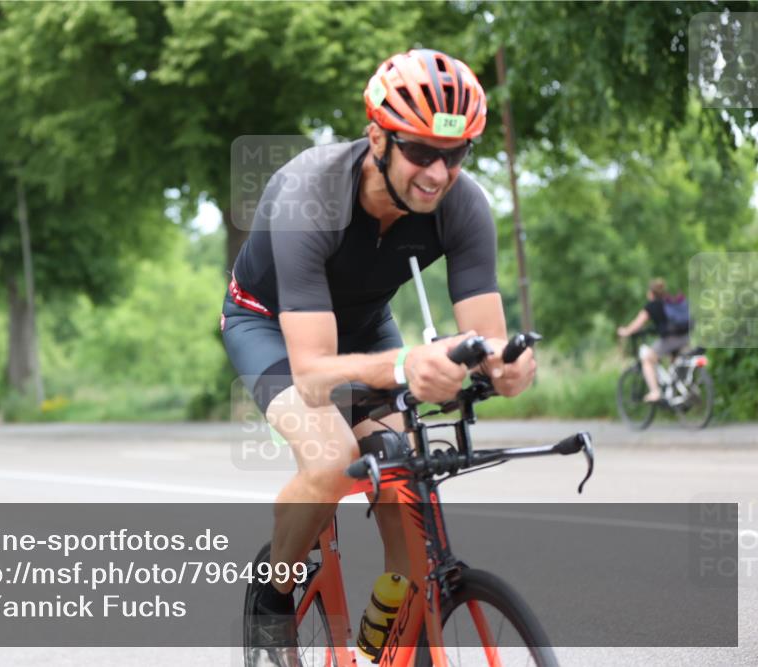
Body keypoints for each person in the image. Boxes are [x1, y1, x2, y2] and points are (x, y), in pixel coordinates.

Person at [221, 48, 536, 661]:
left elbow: (487, 341)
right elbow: (313, 373)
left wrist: (508, 367)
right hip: (267, 325)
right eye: (421, 151)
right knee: (334, 460)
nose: (438, 173)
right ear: (378, 140)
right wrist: (404, 367)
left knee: (403, 472)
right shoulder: (307, 195)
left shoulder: (463, 204)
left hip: (365, 326)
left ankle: (386, 633)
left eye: (455, 153)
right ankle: (273, 593)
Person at [617, 278, 690, 402]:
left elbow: (637, 324)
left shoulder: (652, 306)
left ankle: (655, 392)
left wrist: (625, 331)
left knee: (647, 359)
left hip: (670, 340)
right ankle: (677, 394)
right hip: (685, 337)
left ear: (650, 293)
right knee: (673, 363)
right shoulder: (669, 301)